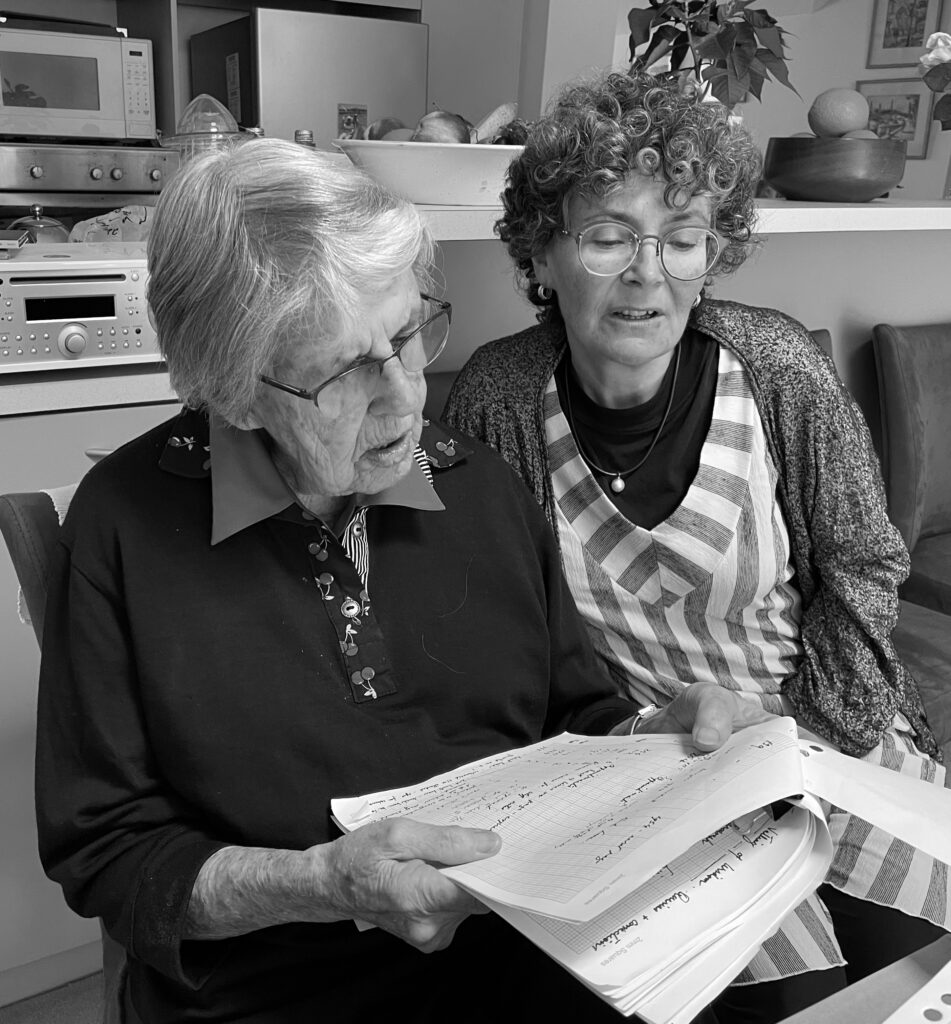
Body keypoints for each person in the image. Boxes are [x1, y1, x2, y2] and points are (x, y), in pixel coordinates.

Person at [33, 138, 761, 1024]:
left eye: (411, 333)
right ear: (233, 392)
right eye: (344, 371)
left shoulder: (478, 486)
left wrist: (658, 734)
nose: (405, 397)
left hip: (532, 957)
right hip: (278, 993)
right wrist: (320, 885)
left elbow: (574, 714)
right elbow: (108, 855)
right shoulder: (123, 530)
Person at [443, 69, 948, 1024]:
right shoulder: (496, 401)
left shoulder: (776, 368)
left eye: (680, 240)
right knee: (797, 1000)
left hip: (821, 733)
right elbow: (490, 636)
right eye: (607, 237)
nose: (650, 272)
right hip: (655, 775)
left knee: (921, 981)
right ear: (541, 256)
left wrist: (806, 730)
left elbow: (864, 565)